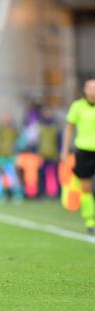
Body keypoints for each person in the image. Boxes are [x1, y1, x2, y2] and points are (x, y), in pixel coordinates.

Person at [60, 78, 95, 235]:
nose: (92, 90)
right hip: (84, 151)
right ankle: (90, 221)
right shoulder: (77, 106)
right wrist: (64, 150)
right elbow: (69, 129)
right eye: (90, 87)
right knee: (86, 188)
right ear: (85, 90)